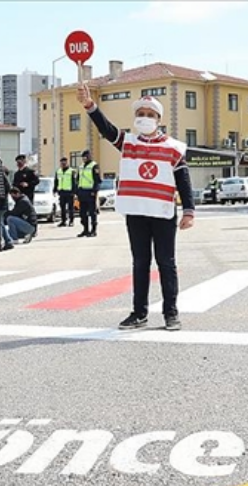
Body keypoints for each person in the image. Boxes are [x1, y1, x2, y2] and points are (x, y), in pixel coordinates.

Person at [77, 85, 196, 331]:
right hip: (136, 212)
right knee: (140, 263)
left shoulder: (173, 148)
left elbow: (183, 180)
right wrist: (90, 106)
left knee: (166, 263)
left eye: (150, 114)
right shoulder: (128, 142)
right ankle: (139, 313)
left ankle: (171, 313)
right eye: (140, 113)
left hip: (163, 212)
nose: (145, 118)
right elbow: (107, 129)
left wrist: (189, 211)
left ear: (158, 119)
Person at [76, 149, 101, 238]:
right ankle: (85, 229)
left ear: (89, 156)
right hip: (82, 192)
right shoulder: (81, 167)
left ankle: (93, 230)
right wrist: (77, 191)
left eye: (85, 157)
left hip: (90, 192)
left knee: (92, 212)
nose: (84, 159)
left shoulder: (94, 166)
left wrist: (94, 191)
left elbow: (97, 180)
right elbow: (78, 179)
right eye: (83, 157)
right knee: (82, 213)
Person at [55, 156, 76, 226]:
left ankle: (71, 221)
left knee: (70, 207)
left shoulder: (71, 171)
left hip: (69, 192)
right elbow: (56, 181)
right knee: (62, 207)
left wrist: (74, 192)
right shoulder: (58, 171)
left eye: (64, 162)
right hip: (61, 192)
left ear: (67, 163)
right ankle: (63, 221)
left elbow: (74, 182)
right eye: (62, 163)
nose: (63, 164)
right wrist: (55, 189)